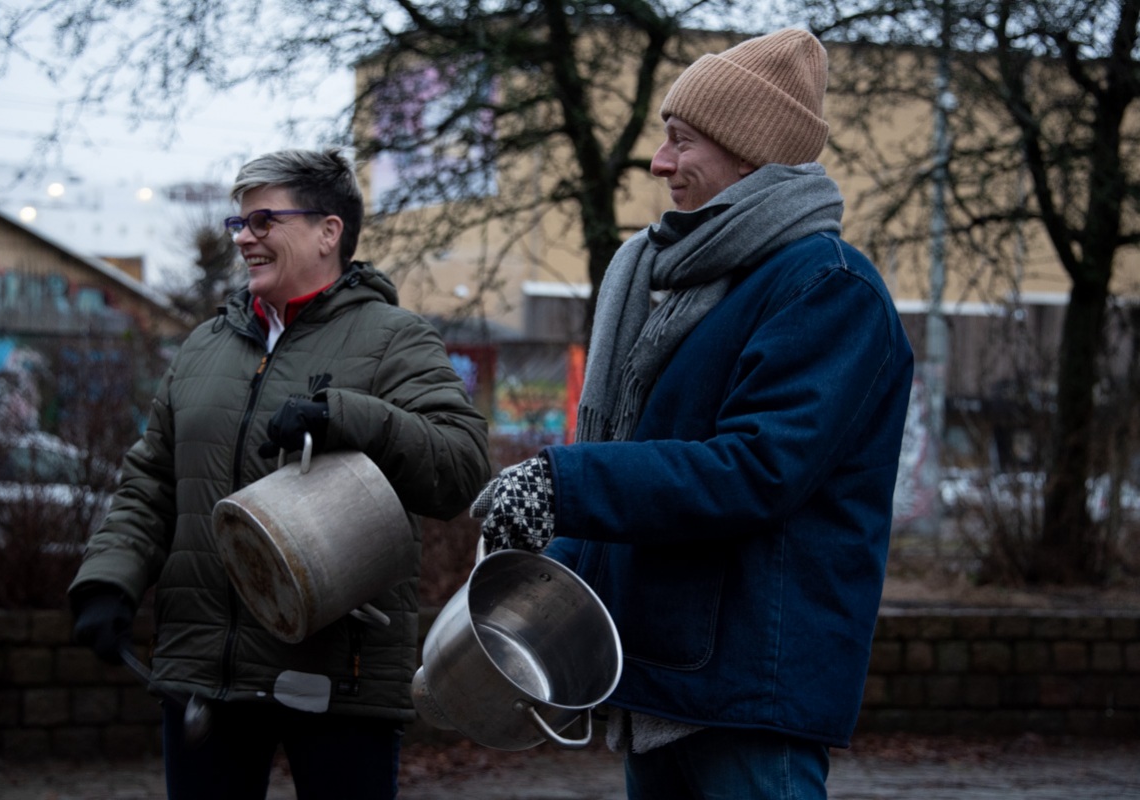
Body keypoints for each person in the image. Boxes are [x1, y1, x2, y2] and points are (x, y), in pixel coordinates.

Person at [472, 28, 914, 800]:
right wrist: (543, 576)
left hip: (747, 693)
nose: (658, 161)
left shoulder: (826, 288)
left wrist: (564, 484)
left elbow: (754, 470)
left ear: (747, 151)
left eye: (681, 140)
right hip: (662, 679)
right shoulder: (680, 282)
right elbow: (643, 457)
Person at [70, 148, 491, 799]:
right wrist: (109, 578)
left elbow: (461, 468)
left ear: (328, 231)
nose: (244, 237)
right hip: (203, 674)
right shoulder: (204, 346)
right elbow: (151, 483)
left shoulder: (395, 339)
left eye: (264, 220)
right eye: (239, 222)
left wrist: (342, 415)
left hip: (339, 677)